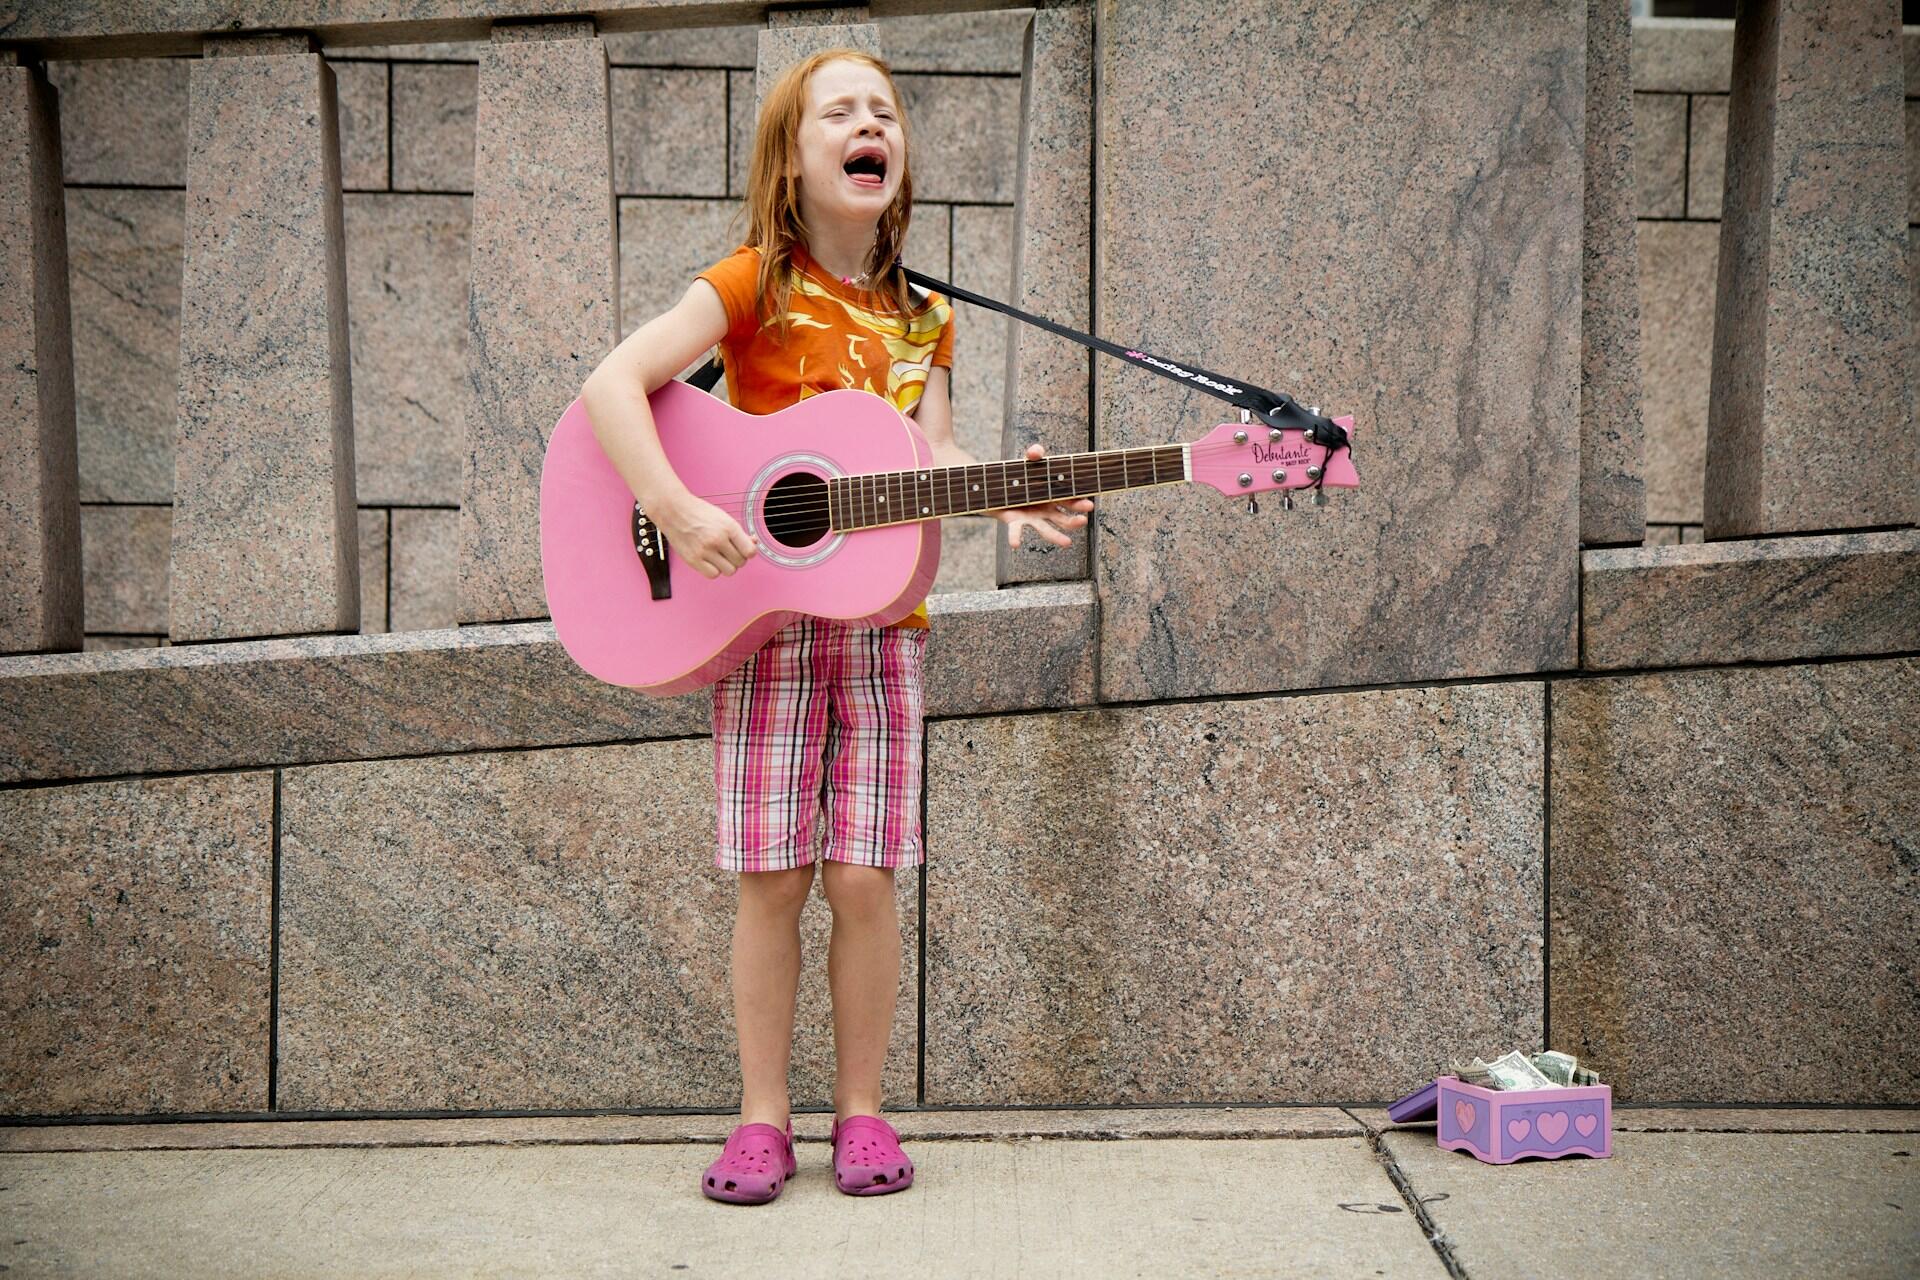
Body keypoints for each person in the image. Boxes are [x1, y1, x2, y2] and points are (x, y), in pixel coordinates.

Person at [580, 48, 1092, 1205]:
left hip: (882, 627)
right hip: (759, 620)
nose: (870, 123)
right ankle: (763, 1116)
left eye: (885, 110)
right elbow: (614, 384)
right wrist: (673, 502)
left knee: (864, 878)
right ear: (794, 158)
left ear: (896, 153)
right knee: (773, 876)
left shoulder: (926, 316)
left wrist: (1000, 488)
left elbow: (934, 452)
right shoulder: (753, 281)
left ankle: (863, 1110)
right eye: (839, 112)